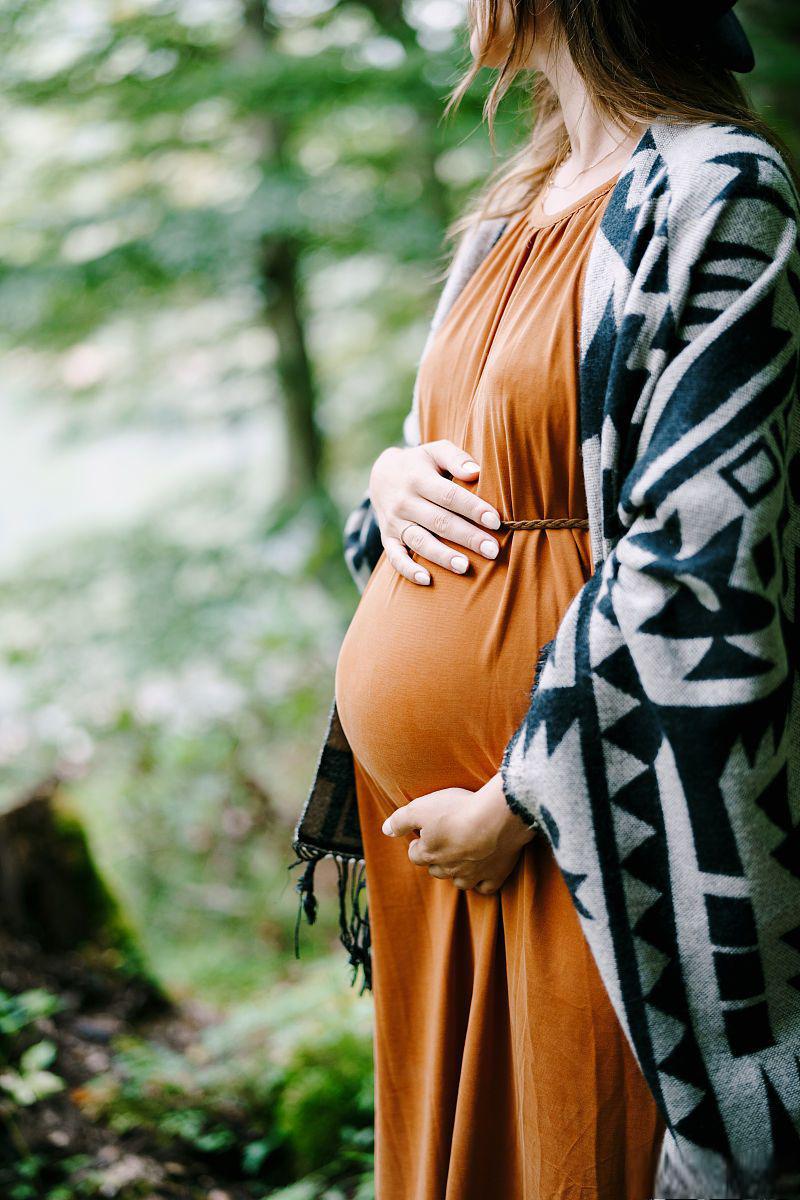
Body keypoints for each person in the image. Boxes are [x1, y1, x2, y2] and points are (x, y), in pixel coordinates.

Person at [293, 1, 800, 1196]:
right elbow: (454, 465)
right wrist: (390, 475)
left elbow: (701, 549)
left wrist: (520, 797)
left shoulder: (719, 192)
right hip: (434, 848)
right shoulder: (508, 213)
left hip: (603, 830)